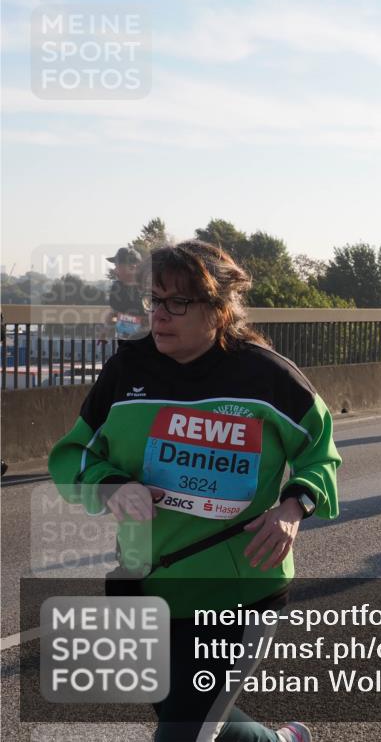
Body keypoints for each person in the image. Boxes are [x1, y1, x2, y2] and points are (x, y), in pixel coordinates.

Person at [49, 241, 340, 742]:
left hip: (238, 590)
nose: (160, 316)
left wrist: (293, 506)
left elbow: (320, 450)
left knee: (184, 732)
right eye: (155, 301)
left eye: (177, 303)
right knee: (196, 721)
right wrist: (111, 484)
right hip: (145, 585)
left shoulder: (265, 375)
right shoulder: (127, 371)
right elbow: (72, 455)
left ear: (219, 308)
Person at [105, 246, 148, 344]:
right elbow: (114, 313)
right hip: (124, 341)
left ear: (133, 267)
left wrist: (139, 322)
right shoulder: (117, 288)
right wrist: (106, 329)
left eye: (118, 266)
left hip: (146, 343)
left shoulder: (149, 288)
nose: (115, 270)